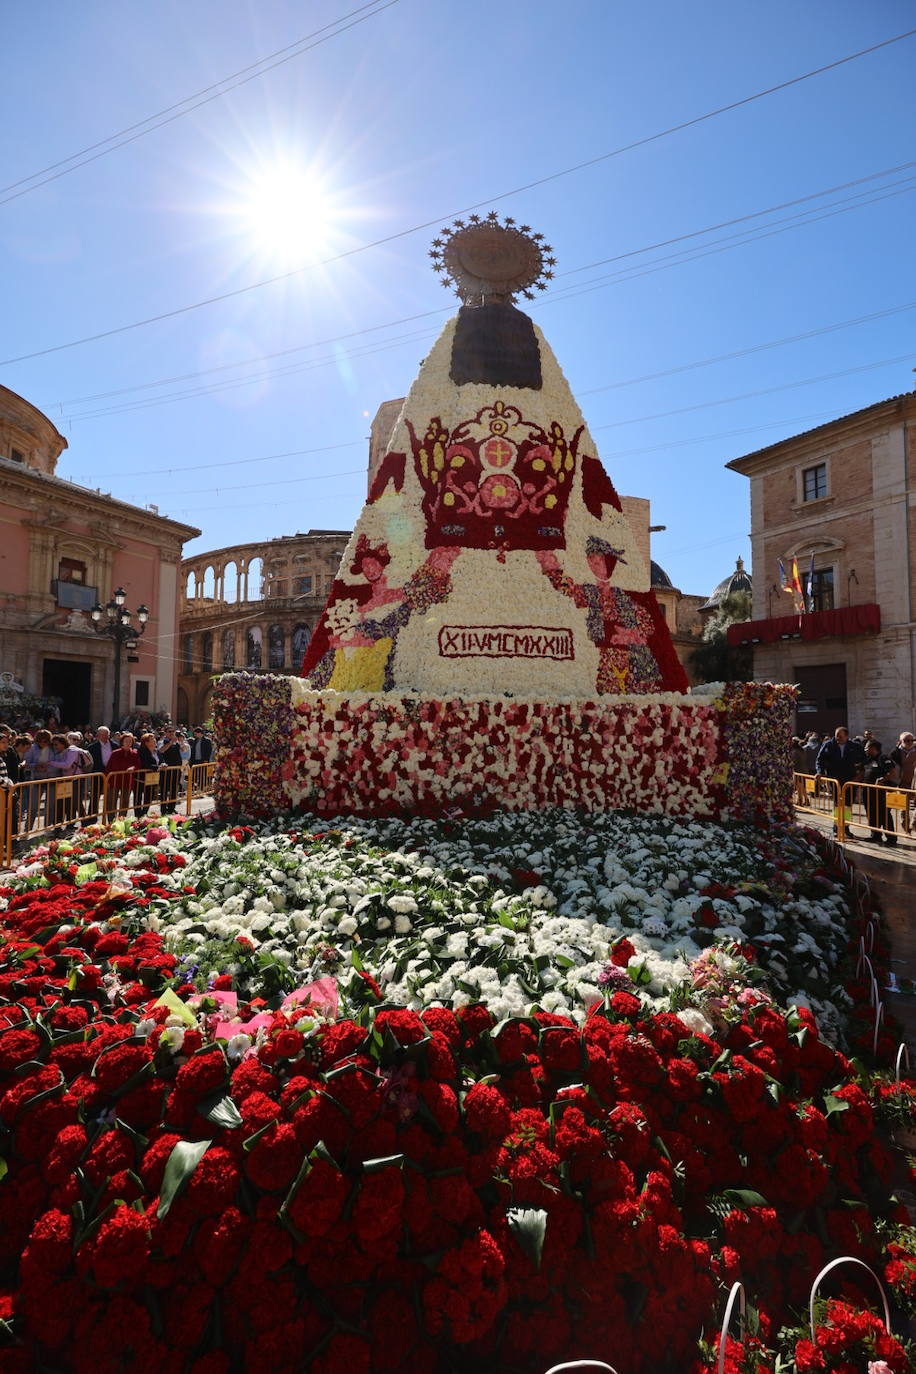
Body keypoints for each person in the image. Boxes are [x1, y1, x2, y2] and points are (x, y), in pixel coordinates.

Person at [815, 726, 865, 837]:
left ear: (846, 736)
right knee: (837, 804)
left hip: (850, 780)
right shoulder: (828, 745)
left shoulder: (855, 747)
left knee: (847, 804)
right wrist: (820, 772)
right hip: (835, 779)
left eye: (841, 736)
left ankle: (845, 827)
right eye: (836, 735)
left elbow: (863, 761)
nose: (838, 738)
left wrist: (860, 774)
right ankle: (837, 827)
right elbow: (820, 760)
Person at [862, 739, 895, 844]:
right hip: (869, 792)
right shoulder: (868, 759)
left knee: (884, 814)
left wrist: (882, 779)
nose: (865, 750)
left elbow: (892, 772)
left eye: (867, 748)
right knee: (871, 814)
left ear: (874, 748)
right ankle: (875, 835)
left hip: (881, 793)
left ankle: (891, 838)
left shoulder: (883, 758)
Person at [105, 732, 140, 818]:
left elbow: (138, 765)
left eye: (130, 741)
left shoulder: (135, 754)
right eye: (126, 741)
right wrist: (107, 781)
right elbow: (108, 767)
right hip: (114, 780)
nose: (128, 743)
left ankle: (122, 820)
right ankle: (111, 820)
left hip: (127, 781)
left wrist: (133, 768)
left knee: (125, 801)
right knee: (111, 801)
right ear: (122, 742)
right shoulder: (115, 753)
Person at [23, 729, 53, 830]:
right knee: (33, 806)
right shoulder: (32, 748)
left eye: (46, 741)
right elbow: (26, 763)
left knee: (50, 806)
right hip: (36, 779)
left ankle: (47, 828)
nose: (43, 743)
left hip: (50, 779)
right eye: (41, 741)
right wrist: (36, 766)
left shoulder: (52, 748)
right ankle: (27, 829)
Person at [889, 730, 916, 833]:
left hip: (915, 783)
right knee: (903, 808)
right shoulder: (895, 753)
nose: (909, 742)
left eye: (911, 740)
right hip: (902, 784)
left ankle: (914, 824)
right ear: (900, 741)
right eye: (906, 740)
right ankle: (906, 829)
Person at [88, 726, 115, 820]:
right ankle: (92, 817)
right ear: (98, 736)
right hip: (98, 774)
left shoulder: (115, 745)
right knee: (95, 796)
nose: (104, 737)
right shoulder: (92, 747)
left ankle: (111, 817)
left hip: (111, 774)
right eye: (102, 735)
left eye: (106, 734)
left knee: (111, 797)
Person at [157, 725, 183, 815]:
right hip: (166, 770)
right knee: (164, 790)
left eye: (173, 731)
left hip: (176, 770)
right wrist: (171, 742)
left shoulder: (177, 743)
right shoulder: (162, 741)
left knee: (173, 790)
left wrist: (181, 744)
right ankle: (163, 810)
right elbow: (161, 750)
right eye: (169, 731)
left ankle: (171, 808)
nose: (172, 733)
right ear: (165, 733)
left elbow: (183, 750)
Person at [136, 732, 162, 813]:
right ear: (146, 742)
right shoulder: (141, 751)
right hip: (142, 778)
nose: (154, 740)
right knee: (138, 797)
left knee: (149, 796)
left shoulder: (157, 751)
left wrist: (163, 764)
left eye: (154, 738)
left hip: (153, 778)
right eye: (152, 739)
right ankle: (138, 814)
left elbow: (161, 760)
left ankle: (144, 813)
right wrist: (158, 767)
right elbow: (145, 764)